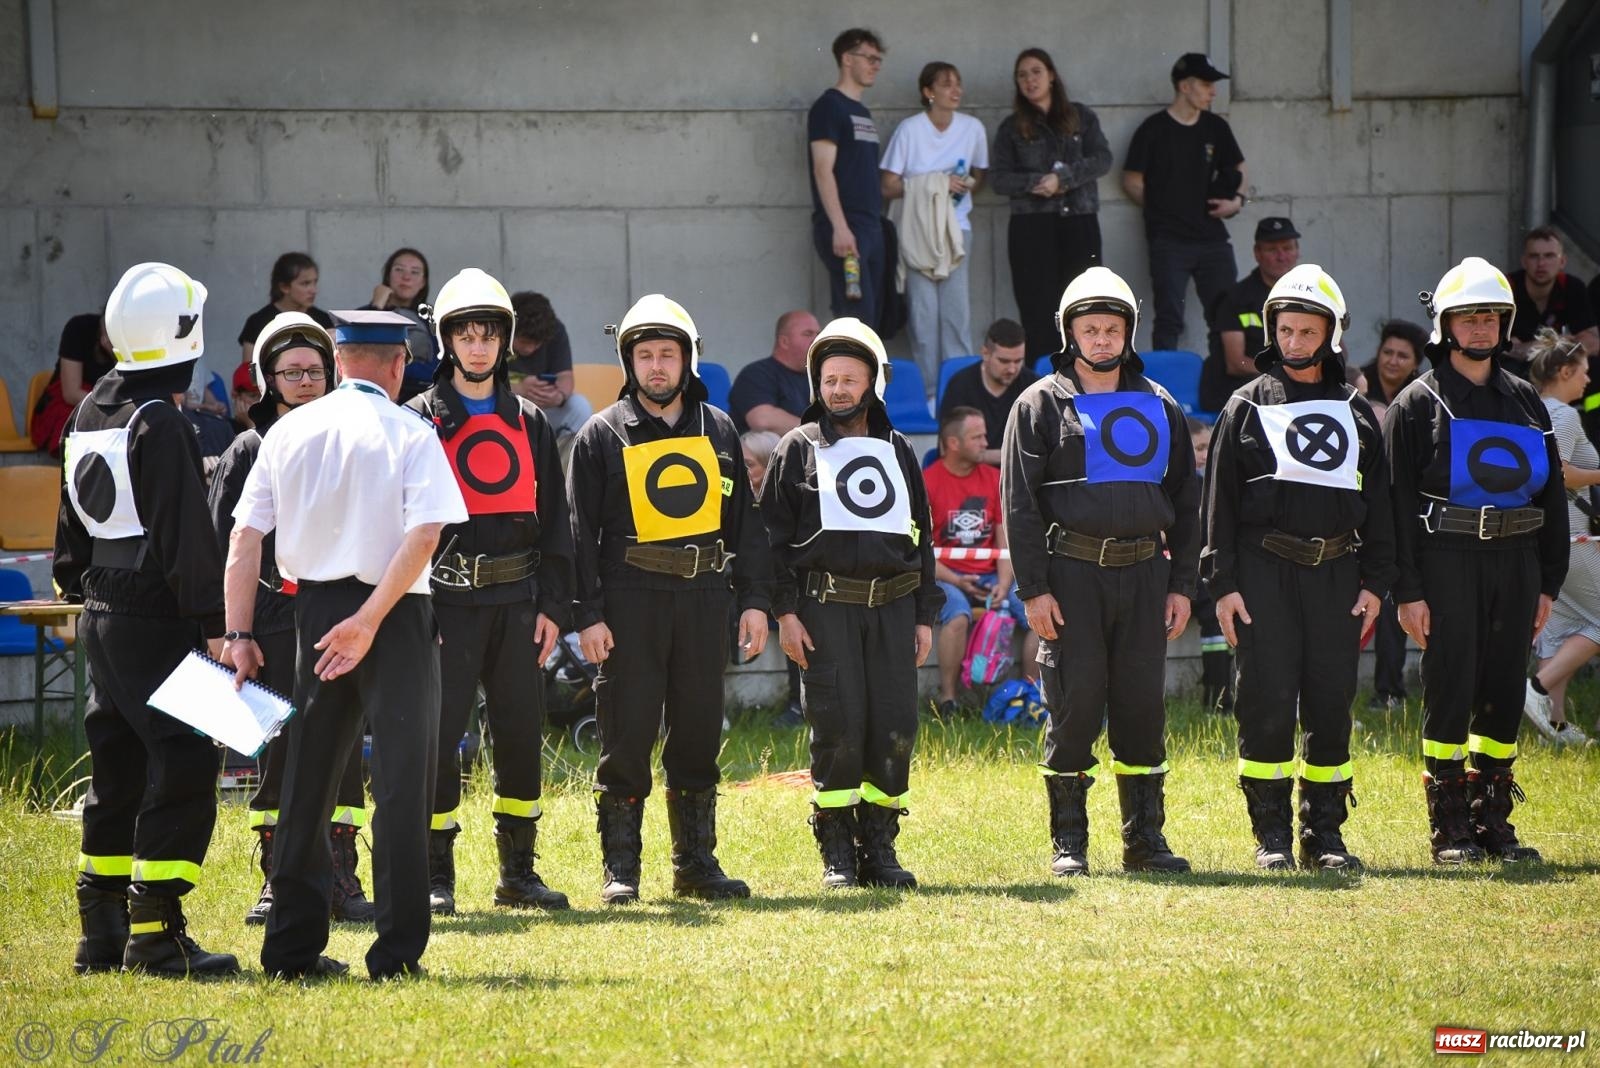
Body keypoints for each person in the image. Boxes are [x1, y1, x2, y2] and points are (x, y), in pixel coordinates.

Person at [225, 308, 467, 980]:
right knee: (400, 787)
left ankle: (290, 950)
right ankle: (394, 955)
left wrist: (240, 634)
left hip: (314, 613)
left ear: (336, 359)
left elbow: (245, 541)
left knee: (306, 783)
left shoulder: (288, 431)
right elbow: (425, 536)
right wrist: (369, 621)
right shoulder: (411, 430)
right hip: (393, 611)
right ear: (397, 366)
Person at [56, 262, 238, 978]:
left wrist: (81, 588)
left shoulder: (89, 409)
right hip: (160, 618)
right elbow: (183, 536)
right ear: (185, 337)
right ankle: (156, 935)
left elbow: (70, 526)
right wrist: (220, 624)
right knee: (188, 759)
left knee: (119, 765)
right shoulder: (159, 418)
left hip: (102, 610)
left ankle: (100, 931)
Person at [567, 294, 772, 904]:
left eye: (668, 354)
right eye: (645, 355)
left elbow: (747, 525)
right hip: (629, 599)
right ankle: (621, 871)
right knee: (626, 733)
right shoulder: (600, 435)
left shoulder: (722, 429)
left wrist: (755, 600)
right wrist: (588, 616)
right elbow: (579, 535)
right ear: (629, 362)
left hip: (705, 597)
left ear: (689, 360)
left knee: (699, 733)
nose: (657, 366)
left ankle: (696, 865)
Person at [1002, 266, 1198, 878]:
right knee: (1075, 706)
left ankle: (1145, 841)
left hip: (1144, 575)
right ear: (1070, 334)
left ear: (1129, 334)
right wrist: (1033, 589)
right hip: (1071, 578)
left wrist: (1183, 586)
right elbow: (1020, 505)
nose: (1103, 340)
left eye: (1113, 329)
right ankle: (1070, 844)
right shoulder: (1038, 404)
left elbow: (1188, 503)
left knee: (1142, 708)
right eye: (1091, 329)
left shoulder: (1160, 404)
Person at [1201, 264, 1395, 872]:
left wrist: (1377, 583)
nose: (1294, 343)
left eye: (1308, 332)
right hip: (1263, 574)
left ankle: (1325, 836)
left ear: (1331, 336)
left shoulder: (1359, 412)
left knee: (1332, 702)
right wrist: (1224, 586)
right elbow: (1220, 506)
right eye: (1285, 331)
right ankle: (1272, 839)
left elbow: (1382, 505)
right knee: (1264, 700)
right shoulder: (1243, 407)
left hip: (1338, 575)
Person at [1384, 257, 1567, 865]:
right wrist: (1407, 590)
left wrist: (1548, 583)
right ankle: (1450, 827)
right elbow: (1396, 503)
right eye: (1469, 317)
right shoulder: (1417, 402)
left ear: (1505, 322)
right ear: (1446, 325)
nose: (1481, 328)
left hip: (1516, 562)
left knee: (1500, 693)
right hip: (1446, 560)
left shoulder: (1526, 402)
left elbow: (1550, 494)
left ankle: (1495, 822)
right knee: (1452, 686)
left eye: (1491, 316)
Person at [405, 269, 574, 915]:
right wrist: (419, 608)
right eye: (466, 335)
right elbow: (404, 525)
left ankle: (518, 875)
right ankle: (434, 875)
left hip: (517, 605)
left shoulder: (530, 421)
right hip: (443, 609)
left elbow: (557, 522)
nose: (478, 347)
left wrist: (552, 609)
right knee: (437, 739)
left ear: (505, 343)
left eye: (489, 335)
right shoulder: (417, 420)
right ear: (447, 342)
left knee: (520, 736)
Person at [208, 312, 374, 927]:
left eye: (315, 369)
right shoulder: (249, 449)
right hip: (273, 619)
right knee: (280, 754)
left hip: (339, 616)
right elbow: (224, 548)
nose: (305, 381)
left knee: (344, 752)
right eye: (291, 372)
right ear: (268, 379)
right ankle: (278, 881)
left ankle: (340, 877)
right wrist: (234, 633)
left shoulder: (353, 440)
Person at [761, 317, 938, 889]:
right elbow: (773, 541)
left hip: (892, 607)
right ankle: (837, 850)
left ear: (872, 384)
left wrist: (924, 614)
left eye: (850, 379)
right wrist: (785, 613)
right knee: (837, 725)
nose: (838, 389)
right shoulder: (796, 448)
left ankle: (880, 849)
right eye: (829, 378)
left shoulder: (899, 448)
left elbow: (922, 535)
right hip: (824, 610)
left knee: (893, 724)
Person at [988, 48, 1113, 360]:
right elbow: (998, 178)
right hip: (1032, 226)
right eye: (1022, 75)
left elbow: (1102, 159)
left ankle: (1085, 372)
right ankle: (1042, 385)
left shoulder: (1081, 116)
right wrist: (1037, 184)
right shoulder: (1012, 127)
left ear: (1052, 75)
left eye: (1035, 72)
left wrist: (1064, 179)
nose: (1029, 80)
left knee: (1083, 304)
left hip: (1079, 222)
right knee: (1037, 308)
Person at [1123, 53, 1246, 353]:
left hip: (1213, 239)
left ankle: (1223, 385)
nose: (1213, 92)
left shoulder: (1216, 127)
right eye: (1206, 84)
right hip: (1169, 241)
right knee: (1169, 320)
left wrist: (1237, 202)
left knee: (1226, 316)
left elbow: (1239, 168)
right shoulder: (1153, 129)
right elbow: (1131, 180)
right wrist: (1162, 210)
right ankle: (1164, 393)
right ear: (1184, 86)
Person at [880, 60, 987, 387]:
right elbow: (888, 184)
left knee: (957, 317)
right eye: (946, 84)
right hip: (916, 232)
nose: (955, 90)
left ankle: (961, 391)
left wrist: (962, 186)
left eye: (958, 83)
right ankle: (929, 393)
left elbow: (981, 174)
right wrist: (935, 184)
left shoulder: (973, 128)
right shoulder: (910, 129)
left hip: (957, 230)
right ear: (928, 92)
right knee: (923, 319)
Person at [926, 406, 1036, 715]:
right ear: (953, 444)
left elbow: (1004, 540)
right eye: (977, 437)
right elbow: (922, 552)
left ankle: (1031, 695)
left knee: (1039, 615)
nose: (985, 443)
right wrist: (959, 581)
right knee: (958, 614)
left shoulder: (994, 478)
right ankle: (948, 700)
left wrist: (1003, 583)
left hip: (993, 574)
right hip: (945, 576)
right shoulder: (928, 481)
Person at [1523, 327, 1597, 746]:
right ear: (1566, 370)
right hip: (1570, 535)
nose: (1588, 381)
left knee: (1562, 626)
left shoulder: (1533, 409)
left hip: (1546, 535)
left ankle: (1554, 725)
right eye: (1584, 372)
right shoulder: (1564, 414)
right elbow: (1563, 472)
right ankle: (1535, 689)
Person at [1359, 319, 1429, 710]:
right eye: (1387, 351)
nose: (1392, 360)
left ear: (1415, 362)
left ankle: (1389, 690)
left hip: (1403, 512)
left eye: (1403, 355)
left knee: (1393, 602)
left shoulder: (1421, 399)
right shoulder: (1355, 386)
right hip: (1359, 510)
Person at [810, 28, 887, 330]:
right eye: (868, 57)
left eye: (878, 60)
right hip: (846, 227)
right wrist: (840, 228)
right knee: (855, 318)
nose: (875, 65)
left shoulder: (861, 112)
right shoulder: (829, 107)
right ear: (846, 58)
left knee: (872, 317)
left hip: (870, 226)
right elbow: (822, 169)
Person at [1200, 217, 1299, 412]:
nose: (1281, 256)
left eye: (1287, 248)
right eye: (1272, 250)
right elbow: (1236, 363)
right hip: (1240, 392)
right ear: (1257, 254)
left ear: (1297, 252)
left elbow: (1338, 349)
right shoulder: (1235, 298)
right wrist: (1283, 373)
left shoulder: (1307, 297)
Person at [937, 318, 1037, 467]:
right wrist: (1009, 455)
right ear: (985, 353)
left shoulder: (1033, 386)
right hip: (971, 474)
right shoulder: (961, 385)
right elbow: (946, 448)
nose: (1012, 369)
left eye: (1018, 361)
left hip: (1019, 475)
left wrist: (982, 455)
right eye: (1004, 361)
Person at [1188, 418, 1233, 714]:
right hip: (1167, 568)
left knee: (1215, 612)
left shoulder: (1207, 483)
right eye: (1199, 448)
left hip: (1198, 568)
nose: (1206, 454)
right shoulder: (1168, 483)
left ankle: (1217, 697)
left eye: (1209, 447)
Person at [506, 290, 594, 441]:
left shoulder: (555, 330)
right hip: (508, 409)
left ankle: (567, 461)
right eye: (525, 342)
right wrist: (520, 389)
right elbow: (485, 386)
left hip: (545, 409)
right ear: (511, 329)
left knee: (580, 406)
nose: (530, 349)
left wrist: (558, 396)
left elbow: (565, 376)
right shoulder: (496, 334)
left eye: (537, 344)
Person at [31, 311, 118, 454]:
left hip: (107, 403)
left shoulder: (131, 336)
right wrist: (113, 409)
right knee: (78, 422)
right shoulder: (79, 328)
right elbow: (71, 394)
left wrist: (116, 355)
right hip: (74, 404)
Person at [362, 248, 437, 402]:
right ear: (388, 275)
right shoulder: (364, 314)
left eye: (415, 272)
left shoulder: (433, 319)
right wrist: (376, 308)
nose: (406, 277)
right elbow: (360, 355)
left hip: (421, 399)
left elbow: (437, 369)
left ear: (423, 282)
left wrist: (394, 369)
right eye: (399, 270)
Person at [729, 310, 821, 434]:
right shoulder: (756, 373)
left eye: (818, 334)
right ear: (784, 342)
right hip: (767, 449)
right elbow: (762, 420)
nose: (816, 340)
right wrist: (818, 431)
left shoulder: (819, 377)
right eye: (808, 334)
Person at [237, 252, 335, 366]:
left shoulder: (324, 320)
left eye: (315, 282)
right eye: (305, 283)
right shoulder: (258, 322)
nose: (313, 290)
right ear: (284, 287)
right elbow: (248, 373)